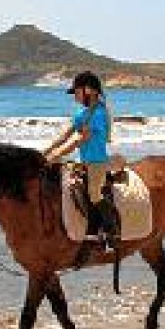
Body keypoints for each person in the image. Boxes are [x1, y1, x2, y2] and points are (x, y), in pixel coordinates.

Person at [43, 71, 120, 251]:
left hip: (96, 163)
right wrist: (45, 151)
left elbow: (81, 140)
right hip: (82, 161)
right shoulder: (82, 113)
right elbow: (65, 135)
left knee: (94, 193)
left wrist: (57, 155)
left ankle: (111, 229)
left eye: (77, 91)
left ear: (89, 91)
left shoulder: (99, 113)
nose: (75, 95)